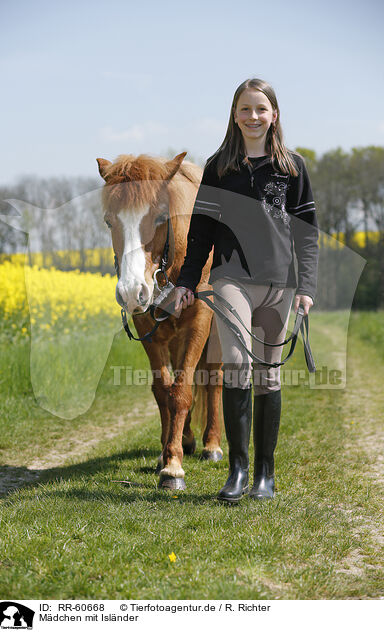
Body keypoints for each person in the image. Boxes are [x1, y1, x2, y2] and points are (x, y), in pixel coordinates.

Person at [173, 78, 319, 502]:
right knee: (236, 363)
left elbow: (307, 234)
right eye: (245, 109)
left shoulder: (293, 167)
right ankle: (237, 471)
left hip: (279, 284)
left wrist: (306, 287)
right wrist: (186, 280)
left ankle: (264, 476)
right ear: (234, 115)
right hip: (230, 278)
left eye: (260, 109)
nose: (253, 117)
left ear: (274, 115)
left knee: (268, 373)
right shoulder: (219, 166)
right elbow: (200, 230)